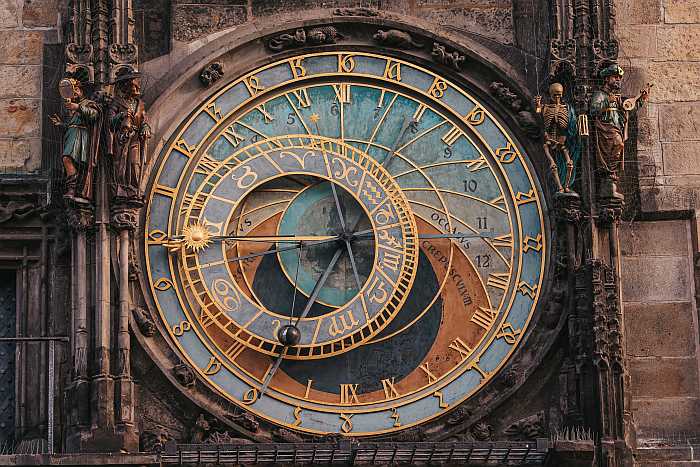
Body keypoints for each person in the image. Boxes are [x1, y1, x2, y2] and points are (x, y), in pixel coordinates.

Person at [590, 64, 650, 199]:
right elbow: (593, 109)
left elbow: (628, 109)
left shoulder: (616, 97)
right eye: (615, 77)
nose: (618, 80)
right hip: (605, 131)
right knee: (617, 145)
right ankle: (607, 179)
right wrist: (606, 101)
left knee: (618, 148)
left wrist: (640, 100)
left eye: (619, 78)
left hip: (616, 129)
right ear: (607, 79)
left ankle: (611, 179)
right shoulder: (600, 94)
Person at [50, 70, 101, 202]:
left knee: (68, 159)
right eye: (74, 89)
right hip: (72, 135)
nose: (75, 92)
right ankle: (73, 189)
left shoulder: (88, 104)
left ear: (81, 90)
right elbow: (71, 125)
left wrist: (78, 107)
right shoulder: (73, 108)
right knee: (69, 160)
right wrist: (60, 124)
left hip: (81, 137)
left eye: (76, 89)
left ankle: (74, 189)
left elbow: (94, 115)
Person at [107, 68, 151, 200]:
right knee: (120, 164)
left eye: (137, 83)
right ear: (126, 86)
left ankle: (133, 188)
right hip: (122, 139)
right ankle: (121, 188)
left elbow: (144, 121)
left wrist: (145, 128)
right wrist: (121, 116)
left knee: (134, 164)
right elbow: (110, 121)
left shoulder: (141, 104)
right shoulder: (117, 102)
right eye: (134, 83)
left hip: (135, 139)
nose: (137, 86)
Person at [534, 83, 581, 193]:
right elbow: (538, 116)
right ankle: (559, 187)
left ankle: (567, 185)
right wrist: (537, 105)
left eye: (559, 95)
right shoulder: (545, 108)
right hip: (549, 141)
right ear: (550, 95)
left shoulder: (568, 109)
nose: (557, 98)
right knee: (553, 164)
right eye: (554, 95)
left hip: (562, 141)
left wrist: (565, 135)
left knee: (569, 163)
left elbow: (572, 125)